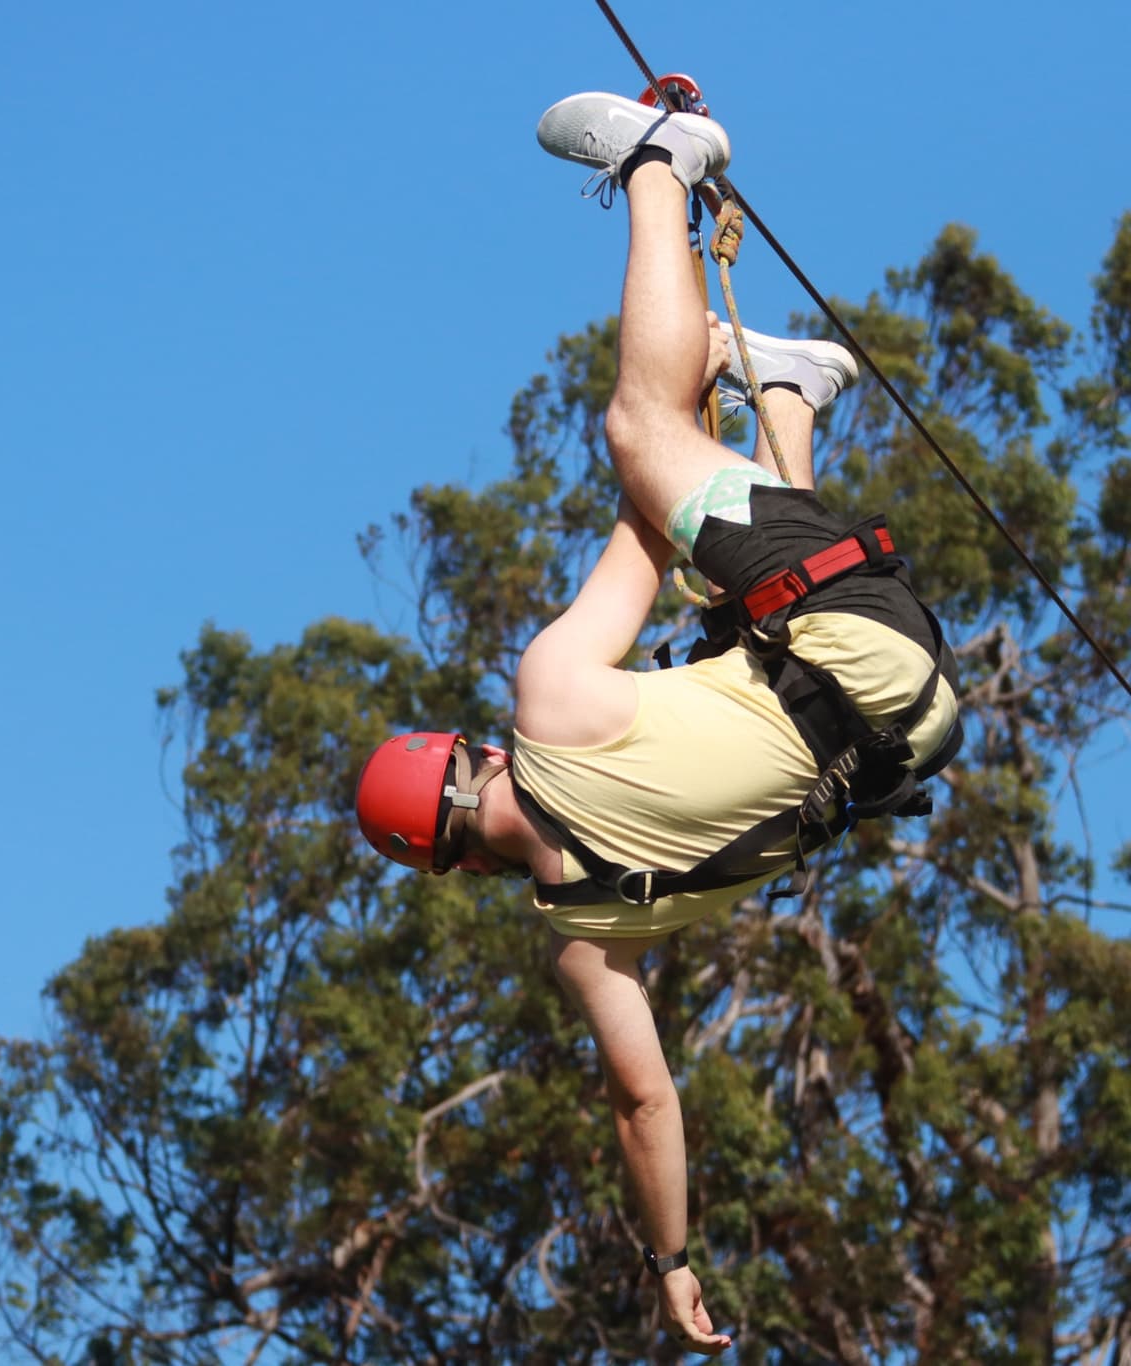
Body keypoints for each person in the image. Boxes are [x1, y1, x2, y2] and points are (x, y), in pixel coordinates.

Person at [353, 93, 960, 1352]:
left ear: (452, 862)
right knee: (642, 432)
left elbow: (643, 1100)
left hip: (913, 728)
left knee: (727, 646)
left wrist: (670, 1260)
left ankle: (791, 396)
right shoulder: (552, 700)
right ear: (460, 753)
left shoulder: (583, 939)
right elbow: (649, 505)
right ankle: (652, 159)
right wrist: (675, 244)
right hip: (855, 627)